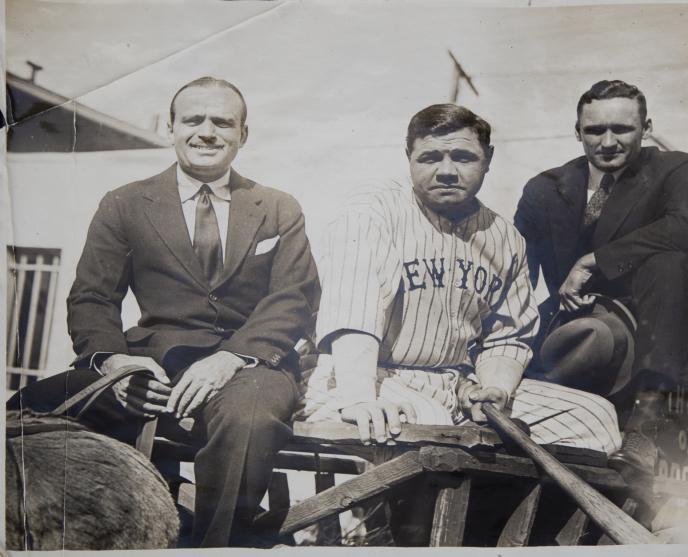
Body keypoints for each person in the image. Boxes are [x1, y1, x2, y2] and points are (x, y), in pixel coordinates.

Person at [7, 77, 320, 547]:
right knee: (26, 410)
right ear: (171, 128)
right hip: (149, 365)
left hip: (249, 368)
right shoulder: (125, 203)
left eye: (222, 122)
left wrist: (231, 358)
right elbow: (93, 298)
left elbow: (294, 297)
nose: (207, 132)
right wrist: (115, 363)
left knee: (249, 421)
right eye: (193, 120)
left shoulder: (277, 207)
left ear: (243, 134)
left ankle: (219, 547)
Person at [299, 103, 621, 458]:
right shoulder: (373, 213)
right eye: (430, 158)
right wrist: (359, 397)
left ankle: (506, 498)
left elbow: (507, 336)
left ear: (488, 159)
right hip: (359, 378)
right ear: (408, 157)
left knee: (595, 419)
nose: (447, 171)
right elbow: (353, 319)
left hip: (454, 386)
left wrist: (495, 388)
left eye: (464, 158)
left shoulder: (504, 237)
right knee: (434, 428)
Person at [513, 80, 688, 480]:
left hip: (650, 329)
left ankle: (647, 426)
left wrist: (594, 261)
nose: (607, 142)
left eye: (621, 129)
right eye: (594, 130)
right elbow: (517, 272)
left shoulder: (675, 169)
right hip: (573, 330)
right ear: (577, 132)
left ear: (646, 128)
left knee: (671, 263)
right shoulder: (545, 188)